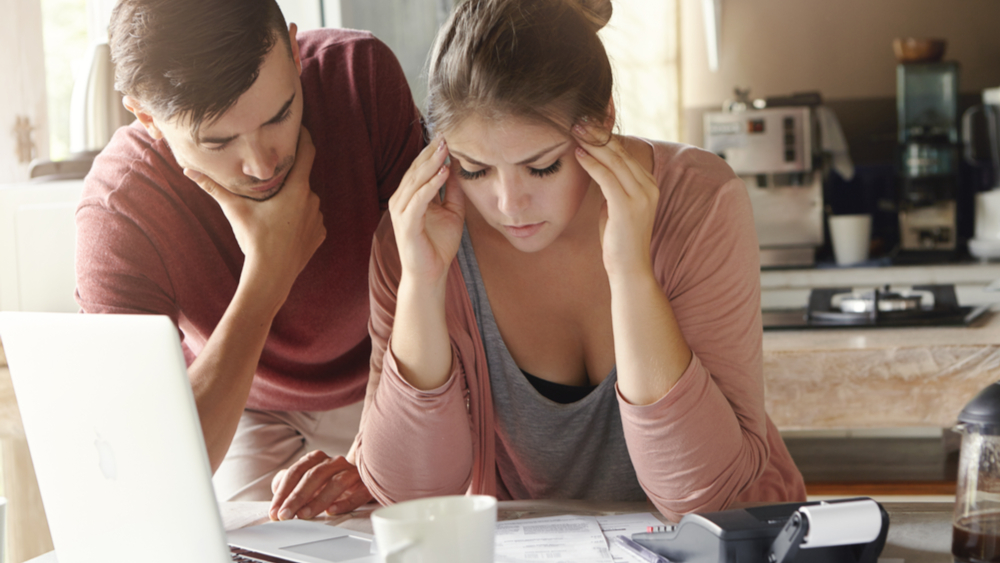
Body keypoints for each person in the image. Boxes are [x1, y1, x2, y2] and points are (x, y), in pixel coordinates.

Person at [350, 0, 807, 519]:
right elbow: (411, 501)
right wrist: (421, 285)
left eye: (542, 167)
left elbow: (702, 496)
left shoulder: (700, 201)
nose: (508, 204)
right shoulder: (416, 236)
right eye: (474, 170)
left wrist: (632, 272)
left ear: (603, 119)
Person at [75, 0, 423, 519]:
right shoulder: (120, 209)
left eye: (281, 113)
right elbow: (146, 466)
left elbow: (431, 288)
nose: (263, 163)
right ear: (147, 117)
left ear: (293, 47)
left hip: (394, 375)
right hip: (243, 404)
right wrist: (268, 277)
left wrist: (372, 455)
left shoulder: (361, 77)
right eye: (218, 140)